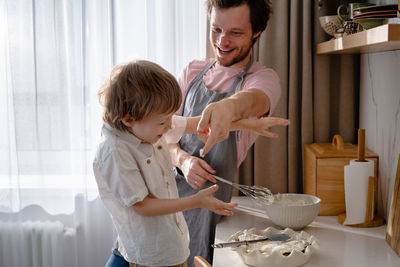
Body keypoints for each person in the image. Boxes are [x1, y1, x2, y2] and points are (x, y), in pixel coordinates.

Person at [94, 60, 288, 267]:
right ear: (128, 119)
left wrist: (247, 124)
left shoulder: (145, 123)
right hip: (149, 255)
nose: (169, 126)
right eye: (162, 122)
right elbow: (142, 206)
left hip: (170, 244)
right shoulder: (114, 151)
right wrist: (196, 201)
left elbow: (196, 124)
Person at [169, 0, 280, 265]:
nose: (222, 40)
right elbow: (160, 134)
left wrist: (228, 107)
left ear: (257, 31)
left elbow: (251, 100)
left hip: (208, 213)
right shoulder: (192, 71)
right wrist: (183, 160)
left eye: (235, 33)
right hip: (164, 199)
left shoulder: (263, 79)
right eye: (216, 29)